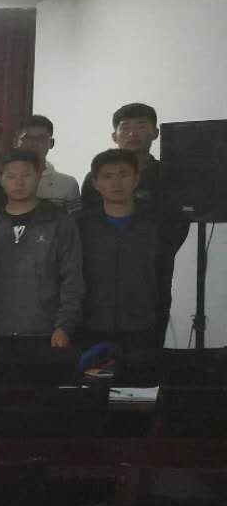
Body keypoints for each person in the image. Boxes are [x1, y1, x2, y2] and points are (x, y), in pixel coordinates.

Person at [79, 103, 188, 345]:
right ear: (114, 136)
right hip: (100, 274)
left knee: (147, 344)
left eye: (141, 126)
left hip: (152, 270)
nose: (132, 133)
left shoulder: (168, 174)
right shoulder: (95, 177)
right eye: (125, 127)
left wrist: (153, 250)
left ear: (155, 133)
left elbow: (179, 222)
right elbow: (88, 223)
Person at [0, 150, 84, 346]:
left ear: (39, 176)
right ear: (1, 179)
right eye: (11, 176)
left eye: (26, 175)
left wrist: (65, 325)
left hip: (47, 331)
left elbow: (73, 278)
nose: (19, 182)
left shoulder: (59, 222)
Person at [76, 149, 160, 354]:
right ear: (95, 183)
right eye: (107, 176)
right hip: (90, 324)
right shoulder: (79, 225)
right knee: (94, 374)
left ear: (136, 179)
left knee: (142, 374)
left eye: (124, 174)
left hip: (142, 324)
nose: (116, 183)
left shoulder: (155, 224)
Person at [17, 114, 80, 211]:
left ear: (51, 143)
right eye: (29, 138)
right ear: (19, 142)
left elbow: (74, 218)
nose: (34, 143)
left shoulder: (68, 184)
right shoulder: (6, 179)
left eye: (41, 138)